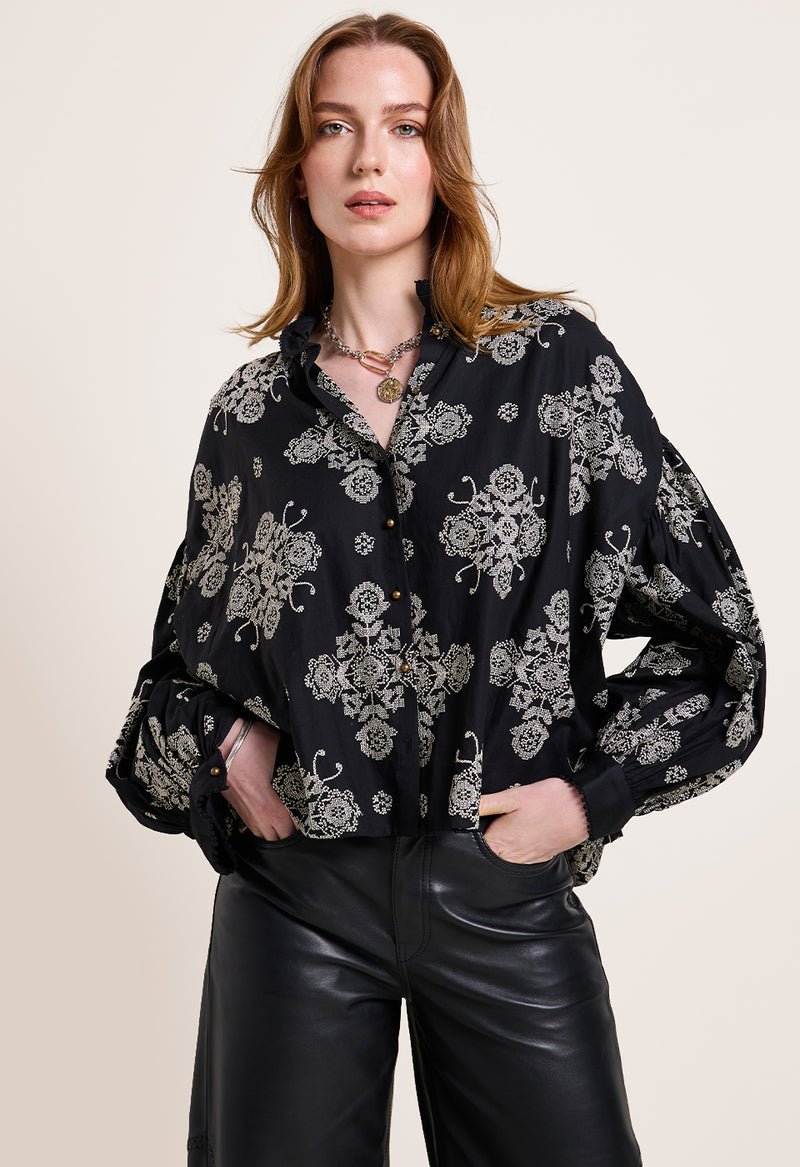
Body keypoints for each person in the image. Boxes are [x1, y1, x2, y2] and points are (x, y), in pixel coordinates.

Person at [106, 12, 766, 1167]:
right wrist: (222, 746)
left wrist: (588, 797)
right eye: (334, 128)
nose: (368, 157)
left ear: (439, 159)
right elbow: (176, 676)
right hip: (296, 901)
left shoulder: (555, 368)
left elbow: (718, 645)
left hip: (497, 891)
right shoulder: (250, 418)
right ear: (298, 170)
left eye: (402, 128)